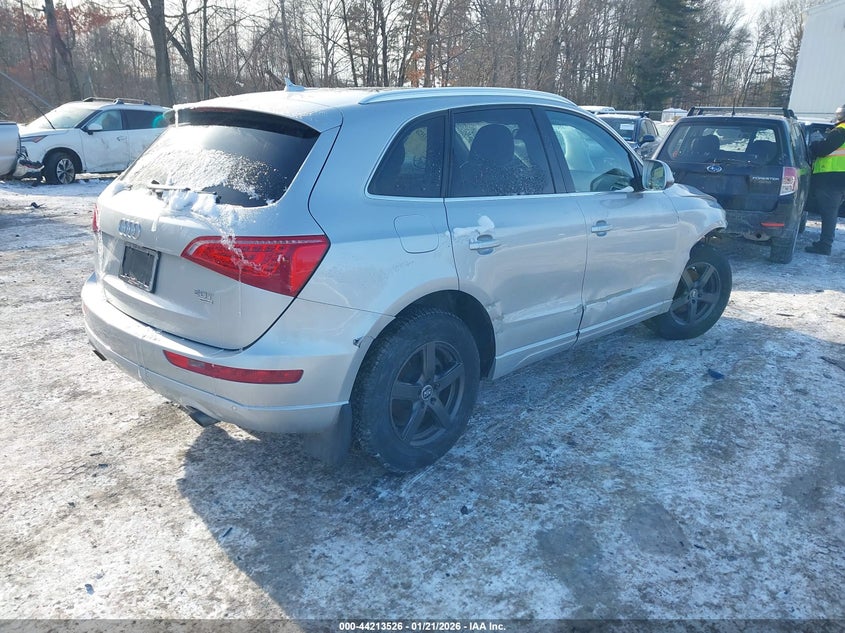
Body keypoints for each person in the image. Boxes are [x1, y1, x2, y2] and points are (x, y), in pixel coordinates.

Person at [806, 104, 845, 255]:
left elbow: (822, 150)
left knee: (829, 213)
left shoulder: (840, 130)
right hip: (840, 180)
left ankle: (825, 245)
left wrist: (815, 142)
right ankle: (825, 243)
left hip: (832, 179)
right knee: (832, 212)